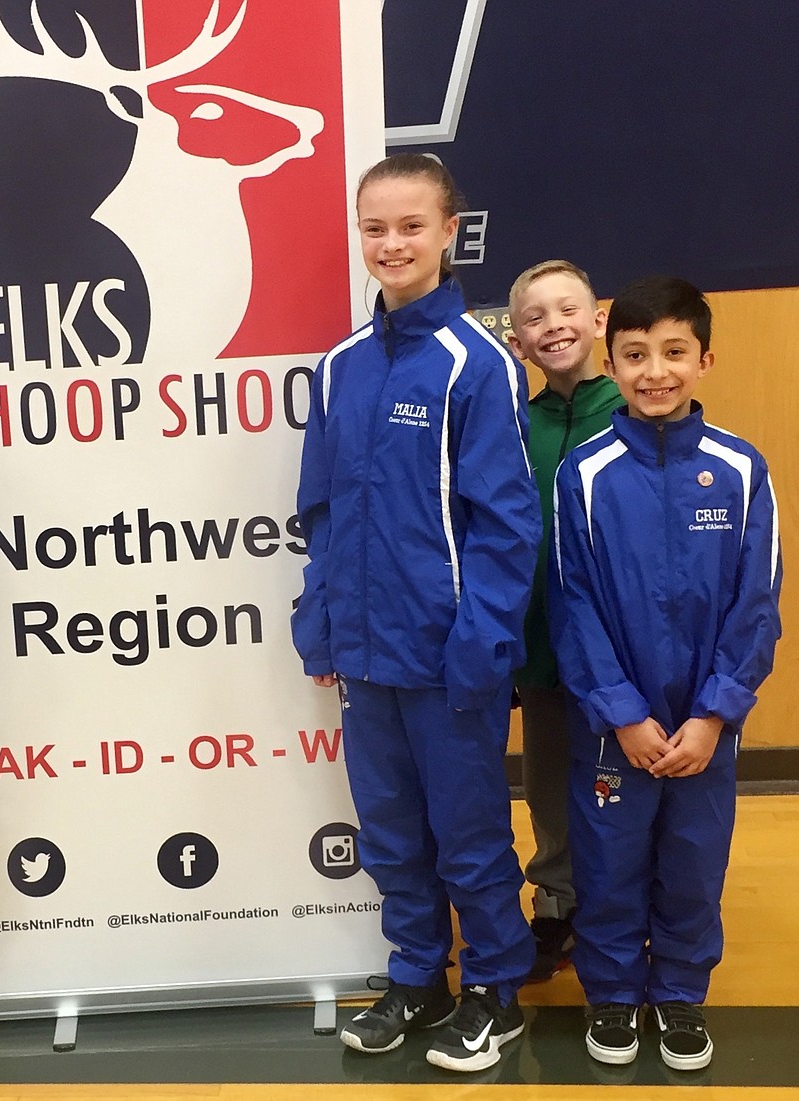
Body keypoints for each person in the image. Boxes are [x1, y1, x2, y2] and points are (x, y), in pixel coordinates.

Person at [292, 153, 542, 1072]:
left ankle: (496, 987)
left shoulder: (476, 364)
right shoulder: (340, 366)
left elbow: (506, 525)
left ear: (448, 233)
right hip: (363, 652)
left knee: (470, 830)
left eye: (409, 226)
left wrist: (482, 643)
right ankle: (416, 975)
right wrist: (321, 623)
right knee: (391, 832)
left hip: (450, 658)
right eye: (374, 228)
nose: (390, 244)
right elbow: (319, 509)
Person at [549, 276, 781, 1070]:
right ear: (609, 363)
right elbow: (573, 602)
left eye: (674, 352)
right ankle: (613, 994)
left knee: (693, 859)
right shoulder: (582, 474)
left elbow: (758, 603)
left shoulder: (742, 469)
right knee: (609, 859)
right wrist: (620, 710)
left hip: (705, 724)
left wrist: (716, 711)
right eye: (636, 355)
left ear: (705, 358)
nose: (656, 371)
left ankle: (678, 994)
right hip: (620, 725)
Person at [505, 261, 624, 981]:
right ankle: (557, 902)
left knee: (615, 785)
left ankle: (618, 909)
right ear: (518, 340)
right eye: (536, 317)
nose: (555, 325)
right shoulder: (517, 426)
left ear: (599, 318)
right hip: (542, 649)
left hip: (618, 656)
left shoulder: (633, 411)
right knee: (549, 782)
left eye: (568, 309)